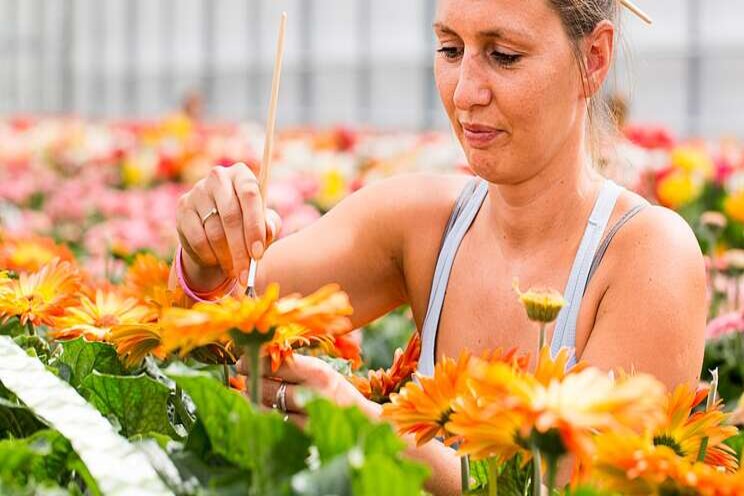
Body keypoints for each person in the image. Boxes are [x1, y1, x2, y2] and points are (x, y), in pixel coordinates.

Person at [171, 1, 706, 493]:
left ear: (593, 60)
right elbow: (217, 316)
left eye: (503, 56)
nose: (464, 91)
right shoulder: (421, 221)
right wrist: (207, 252)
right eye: (450, 49)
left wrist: (371, 433)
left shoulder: (647, 256)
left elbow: (572, 486)